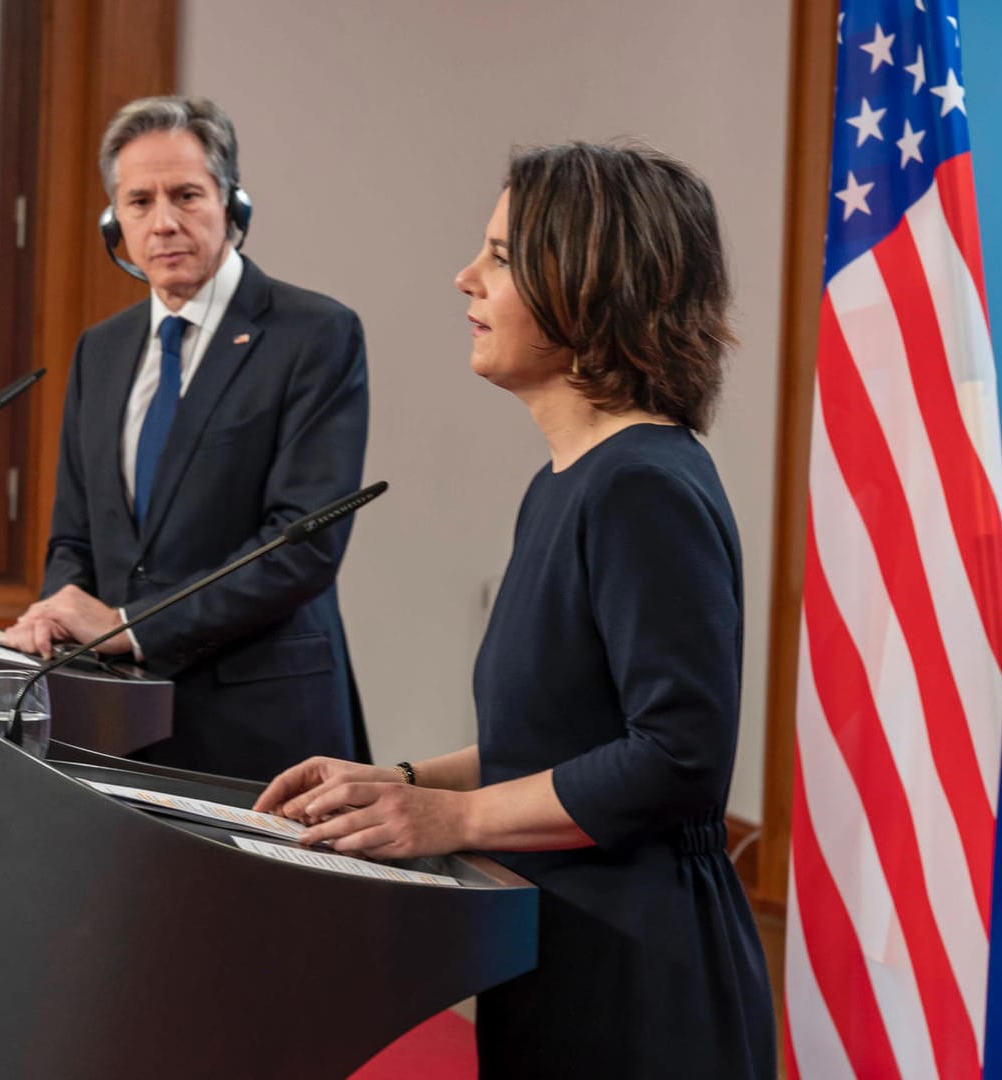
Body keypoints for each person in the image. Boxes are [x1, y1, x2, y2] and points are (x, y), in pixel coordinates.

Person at [253, 142, 774, 1077]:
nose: (465, 278)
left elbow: (678, 759)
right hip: (560, 943)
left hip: (641, 984)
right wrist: (401, 781)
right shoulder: (565, 483)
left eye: (498, 256)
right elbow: (560, 738)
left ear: (588, 283)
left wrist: (450, 822)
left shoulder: (642, 485)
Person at [4, 96, 369, 782]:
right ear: (115, 222)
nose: (164, 221)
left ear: (234, 205)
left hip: (262, 724)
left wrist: (130, 624)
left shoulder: (314, 334)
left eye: (187, 194)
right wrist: (58, 613)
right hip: (116, 721)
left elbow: (304, 542)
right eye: (139, 201)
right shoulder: (101, 351)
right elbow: (76, 537)